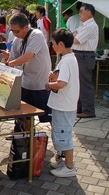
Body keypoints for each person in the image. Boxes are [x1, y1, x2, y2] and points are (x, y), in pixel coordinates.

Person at [4, 13, 52, 123]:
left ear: (26, 27)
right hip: (25, 82)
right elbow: (13, 57)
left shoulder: (36, 34)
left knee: (45, 117)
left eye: (17, 31)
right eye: (12, 31)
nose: (14, 34)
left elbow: (28, 56)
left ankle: (52, 138)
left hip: (40, 83)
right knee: (22, 116)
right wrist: (7, 58)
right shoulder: (17, 39)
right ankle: (21, 138)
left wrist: (10, 63)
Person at [46, 28, 79, 177]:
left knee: (63, 135)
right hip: (64, 104)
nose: (52, 46)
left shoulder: (66, 60)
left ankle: (69, 167)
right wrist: (53, 78)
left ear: (60, 43)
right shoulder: (68, 58)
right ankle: (64, 162)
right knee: (61, 133)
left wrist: (48, 85)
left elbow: (61, 84)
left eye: (53, 43)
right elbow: (60, 80)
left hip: (64, 105)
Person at [72, 3, 98, 118]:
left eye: (82, 11)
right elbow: (74, 34)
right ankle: (80, 108)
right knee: (78, 83)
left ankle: (88, 110)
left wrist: (67, 37)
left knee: (84, 84)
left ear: (89, 12)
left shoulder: (91, 25)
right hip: (80, 55)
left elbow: (77, 40)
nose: (79, 14)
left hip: (84, 56)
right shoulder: (85, 24)